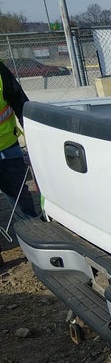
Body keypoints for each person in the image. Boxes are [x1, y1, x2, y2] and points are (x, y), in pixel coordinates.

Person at [0, 59, 39, 267]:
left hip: (7, 150)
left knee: (23, 207)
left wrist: (34, 139)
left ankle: (38, 253)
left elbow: (21, 104)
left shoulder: (0, 72)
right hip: (8, 150)